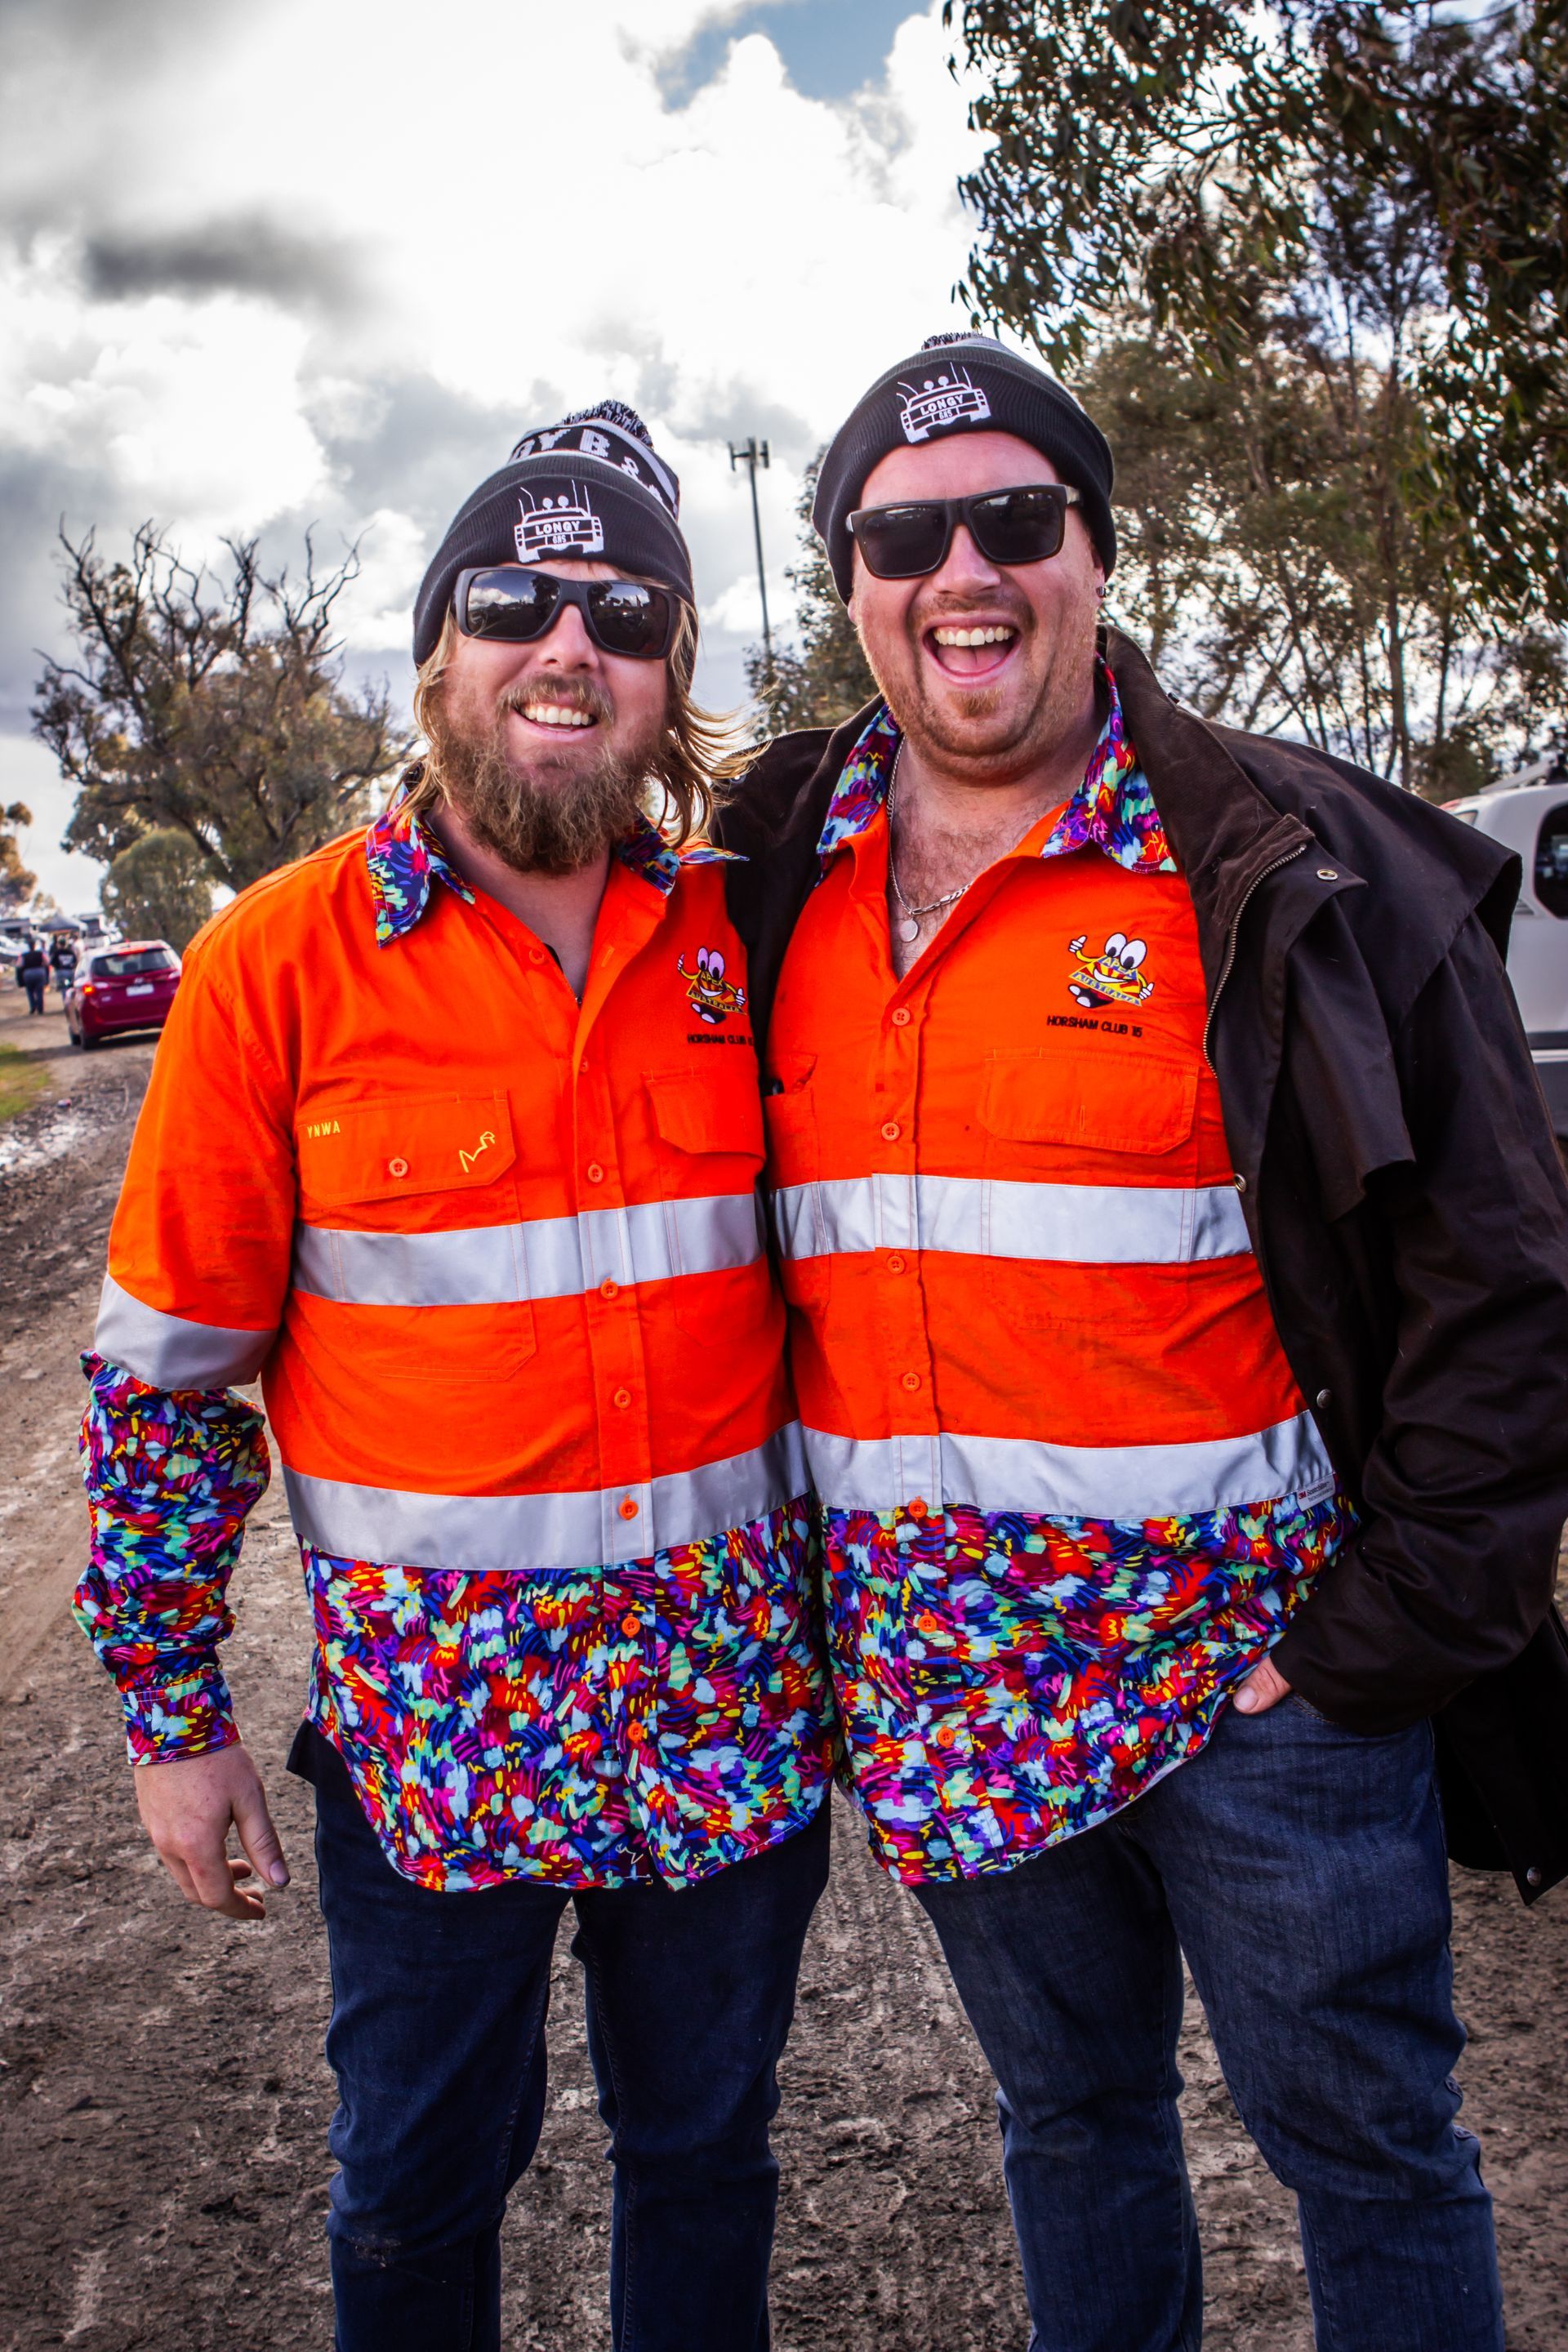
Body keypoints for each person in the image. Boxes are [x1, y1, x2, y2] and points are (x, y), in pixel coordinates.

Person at [716, 333, 1568, 2352]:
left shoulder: (1297, 863)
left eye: (1016, 520)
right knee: (1072, 2123)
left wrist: (1367, 1644)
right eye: (902, 535)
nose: (964, 573)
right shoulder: (764, 876)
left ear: (1098, 551)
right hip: (941, 1695)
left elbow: (1507, 1283)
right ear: (848, 580)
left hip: (1257, 1689)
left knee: (1367, 2146)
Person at [74, 401, 834, 2352]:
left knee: (708, 2158)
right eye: (514, 599)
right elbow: (165, 1383)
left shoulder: (750, 943)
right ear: (437, 658)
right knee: (412, 2186)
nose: (567, 643)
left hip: (727, 1719)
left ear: (673, 682)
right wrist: (172, 1713)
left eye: (626, 612)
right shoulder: (276, 966)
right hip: (436, 1753)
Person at [17, 933, 47, 1013]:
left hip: (28, 973)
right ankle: (40, 1009)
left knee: (30, 991)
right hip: (39, 972)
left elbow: (19, 965)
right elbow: (46, 963)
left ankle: (33, 1007)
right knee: (39, 991)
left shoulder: (24, 955)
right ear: (34, 946)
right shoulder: (40, 954)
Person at [50, 931, 78, 1002]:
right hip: (70, 971)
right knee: (70, 988)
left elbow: (52, 962)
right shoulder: (70, 952)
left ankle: (66, 1002)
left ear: (59, 944)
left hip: (61, 972)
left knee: (63, 988)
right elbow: (75, 961)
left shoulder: (57, 952)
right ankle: (71, 1001)